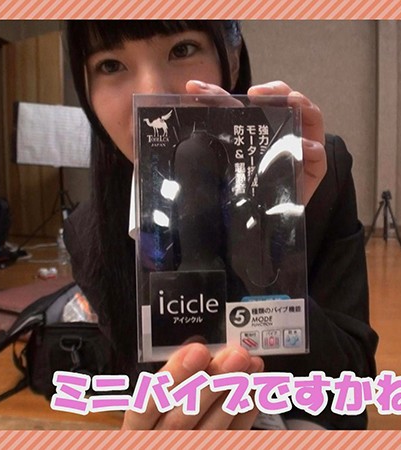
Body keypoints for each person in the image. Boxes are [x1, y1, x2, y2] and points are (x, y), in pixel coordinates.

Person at [63, 20, 378, 430]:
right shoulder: (88, 234)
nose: (154, 94)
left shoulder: (315, 168)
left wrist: (264, 259)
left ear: (231, 58)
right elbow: (143, 383)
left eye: (182, 49)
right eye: (110, 65)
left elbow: (353, 387)